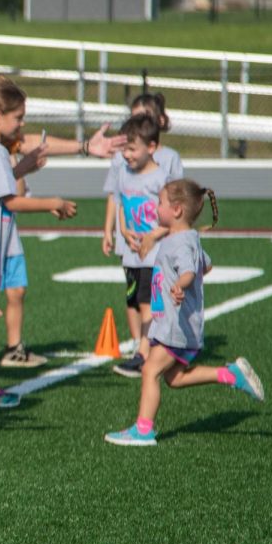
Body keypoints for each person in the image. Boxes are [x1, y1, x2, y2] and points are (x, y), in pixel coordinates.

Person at [105, 180, 265, 446]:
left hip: (175, 326)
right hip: (176, 325)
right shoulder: (186, 238)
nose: (155, 208)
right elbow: (206, 266)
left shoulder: (180, 243)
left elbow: (190, 272)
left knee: (149, 371)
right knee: (174, 378)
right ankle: (229, 375)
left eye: (160, 203)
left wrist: (180, 285)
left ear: (176, 210)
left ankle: (143, 430)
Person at [0, 74, 78, 406]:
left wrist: (22, 167)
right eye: (19, 117)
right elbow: (10, 201)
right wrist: (52, 202)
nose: (22, 124)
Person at [103, 92, 184, 366]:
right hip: (133, 251)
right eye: (124, 150)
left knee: (150, 302)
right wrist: (122, 231)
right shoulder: (125, 172)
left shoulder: (162, 174)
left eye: (131, 149)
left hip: (155, 252)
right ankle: (147, 348)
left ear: (150, 147)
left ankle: (144, 352)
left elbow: (172, 216)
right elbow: (122, 202)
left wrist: (153, 236)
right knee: (136, 300)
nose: (126, 155)